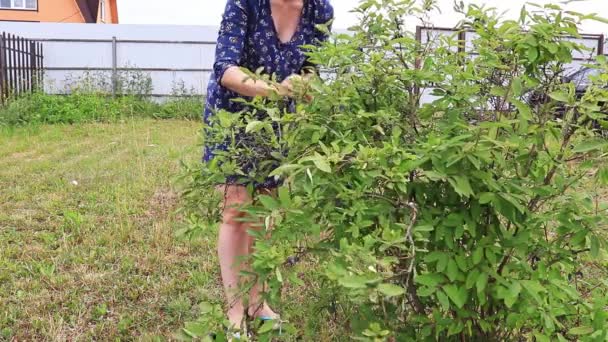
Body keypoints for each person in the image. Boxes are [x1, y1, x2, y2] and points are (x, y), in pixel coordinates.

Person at [203, 0, 334, 332]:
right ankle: (234, 310)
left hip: (276, 120)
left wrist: (304, 85)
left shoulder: (321, 11)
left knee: (265, 211)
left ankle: (258, 301)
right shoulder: (245, 4)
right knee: (236, 206)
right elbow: (225, 68)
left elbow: (310, 69)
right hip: (232, 114)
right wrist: (274, 90)